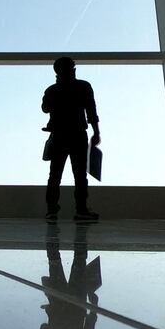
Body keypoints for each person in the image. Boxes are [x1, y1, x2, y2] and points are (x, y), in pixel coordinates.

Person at [42, 57, 101, 221]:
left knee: (55, 174)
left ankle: (51, 210)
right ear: (73, 70)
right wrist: (96, 132)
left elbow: (44, 108)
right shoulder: (83, 86)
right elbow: (91, 111)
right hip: (77, 134)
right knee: (80, 174)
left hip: (59, 135)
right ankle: (81, 209)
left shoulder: (52, 90)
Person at [40, 223, 100, 329]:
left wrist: (94, 305)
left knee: (79, 261)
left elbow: (91, 321)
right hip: (58, 299)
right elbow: (44, 328)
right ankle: (52, 229)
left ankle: (81, 230)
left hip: (77, 301)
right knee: (54, 260)